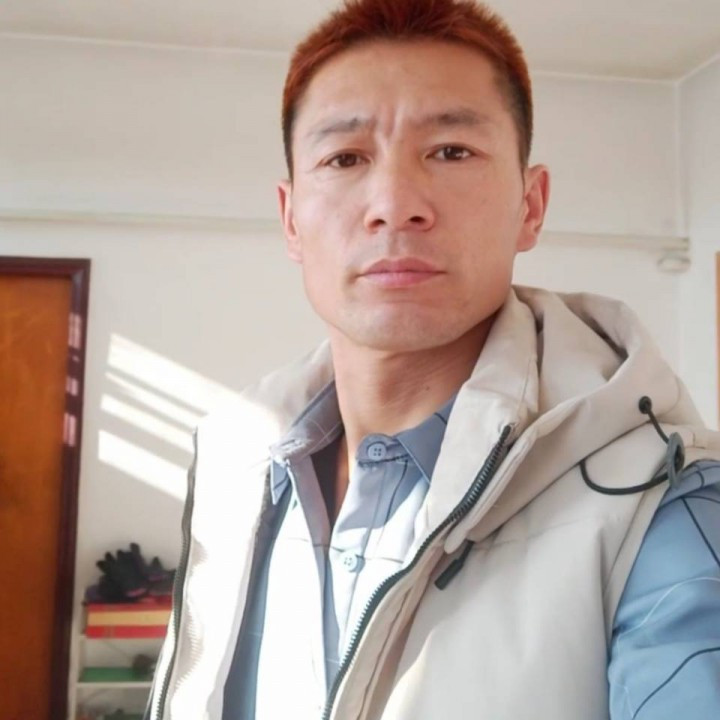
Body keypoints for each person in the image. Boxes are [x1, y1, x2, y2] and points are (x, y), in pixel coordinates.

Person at [145, 1, 720, 718]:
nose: (394, 204)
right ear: (291, 219)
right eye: (345, 158)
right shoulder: (237, 471)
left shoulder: (665, 502)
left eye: (451, 151)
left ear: (531, 205)